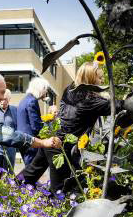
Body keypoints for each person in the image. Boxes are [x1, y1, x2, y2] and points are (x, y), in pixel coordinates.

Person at [18, 62, 123, 195]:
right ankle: (56, 213)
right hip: (60, 146)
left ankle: (10, 190)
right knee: (60, 190)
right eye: (100, 78)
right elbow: (117, 106)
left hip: (51, 138)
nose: (102, 81)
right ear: (91, 78)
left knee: (30, 173)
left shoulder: (70, 90)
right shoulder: (89, 99)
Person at [17, 77, 50, 165]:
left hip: (23, 142)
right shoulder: (32, 101)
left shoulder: (24, 100)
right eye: (45, 90)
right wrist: (49, 135)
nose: (46, 93)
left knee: (29, 170)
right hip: (31, 143)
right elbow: (36, 126)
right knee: (31, 171)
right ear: (40, 89)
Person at [0, 89, 18, 171]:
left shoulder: (15, 110)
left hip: (10, 147)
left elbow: (18, 128)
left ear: (9, 99)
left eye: (5, 99)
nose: (2, 101)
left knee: (9, 173)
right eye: (1, 99)